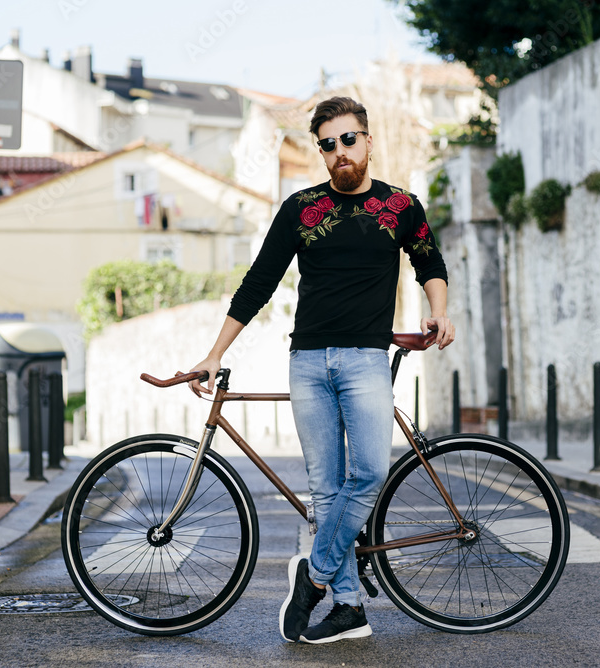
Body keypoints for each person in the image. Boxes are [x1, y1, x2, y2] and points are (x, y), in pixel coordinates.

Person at [189, 96, 454, 644]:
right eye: (328, 145)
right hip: (307, 361)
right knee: (326, 491)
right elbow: (258, 282)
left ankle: (313, 576)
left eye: (348, 140)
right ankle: (350, 607)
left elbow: (429, 261)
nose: (340, 153)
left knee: (371, 474)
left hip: (365, 360)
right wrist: (216, 352)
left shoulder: (402, 206)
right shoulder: (300, 209)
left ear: (368, 141)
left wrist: (439, 310)